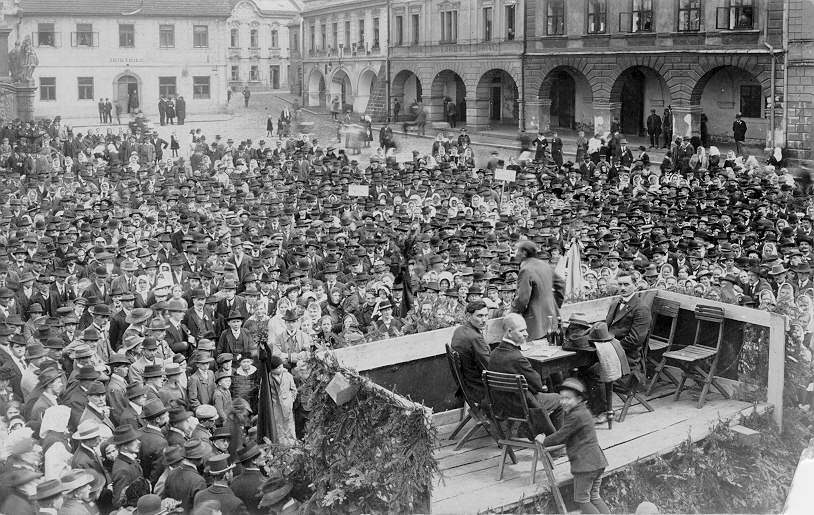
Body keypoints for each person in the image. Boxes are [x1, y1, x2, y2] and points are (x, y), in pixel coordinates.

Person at [535, 378, 609, 514]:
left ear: (579, 399)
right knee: (594, 496)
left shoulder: (575, 416)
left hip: (585, 465)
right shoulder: (583, 412)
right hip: (597, 461)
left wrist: (543, 440)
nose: (563, 402)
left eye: (568, 398)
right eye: (562, 398)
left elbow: (561, 435)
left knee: (582, 500)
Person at [487, 313, 562, 435]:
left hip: (501, 406)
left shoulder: (494, 353)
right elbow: (538, 385)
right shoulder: (517, 358)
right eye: (521, 331)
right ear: (509, 332)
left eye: (525, 330)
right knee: (559, 399)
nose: (526, 334)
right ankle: (555, 441)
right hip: (521, 406)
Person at [604, 271, 652, 388]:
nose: (622, 288)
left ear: (635, 285)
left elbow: (635, 340)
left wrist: (610, 350)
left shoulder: (641, 308)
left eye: (626, 284)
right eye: (620, 284)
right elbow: (607, 326)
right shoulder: (615, 303)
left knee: (593, 372)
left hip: (627, 357)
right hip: (610, 350)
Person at [511, 240, 565, 341]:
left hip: (535, 323)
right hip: (553, 319)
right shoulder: (543, 265)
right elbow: (561, 284)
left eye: (517, 251)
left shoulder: (526, 270)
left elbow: (522, 299)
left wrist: (513, 313)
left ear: (524, 253)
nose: (515, 254)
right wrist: (555, 305)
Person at [449, 300, 491, 400]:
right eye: (480, 316)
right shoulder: (475, 338)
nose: (484, 320)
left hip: (467, 385)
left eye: (486, 315)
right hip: (480, 389)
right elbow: (489, 368)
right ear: (468, 316)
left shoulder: (459, 330)